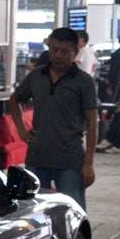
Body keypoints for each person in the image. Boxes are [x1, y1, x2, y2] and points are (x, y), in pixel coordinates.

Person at [8, 26, 100, 210]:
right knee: (35, 212)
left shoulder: (83, 81)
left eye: (64, 51)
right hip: (37, 158)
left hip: (70, 160)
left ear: (75, 52)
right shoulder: (36, 76)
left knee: (72, 211)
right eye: (54, 50)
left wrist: (88, 163)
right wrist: (22, 130)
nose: (58, 55)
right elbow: (15, 99)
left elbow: (92, 123)